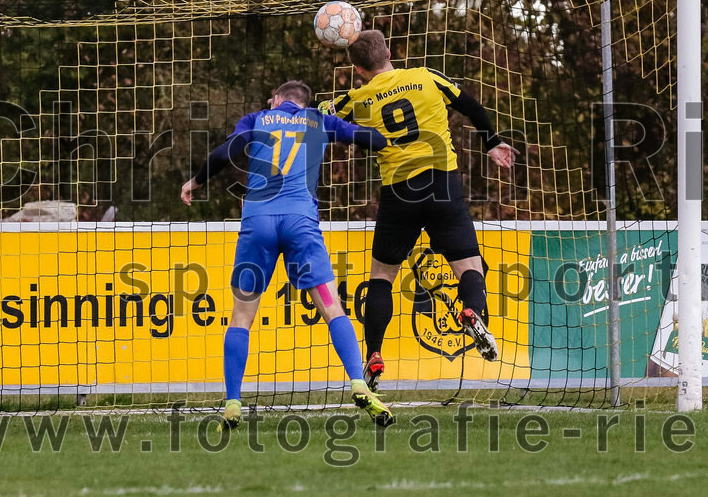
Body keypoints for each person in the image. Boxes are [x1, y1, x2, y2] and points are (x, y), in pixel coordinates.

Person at [181, 79, 394, 428]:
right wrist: (391, 141)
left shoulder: (256, 119)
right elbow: (369, 138)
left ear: (278, 99)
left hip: (258, 223)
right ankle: (358, 383)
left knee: (241, 317)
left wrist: (197, 181)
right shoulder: (319, 120)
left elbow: (224, 153)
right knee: (332, 308)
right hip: (300, 224)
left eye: (271, 98)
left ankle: (233, 403)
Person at [320, 29, 518, 391]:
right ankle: (472, 312)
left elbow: (320, 117)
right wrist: (492, 143)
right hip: (443, 186)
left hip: (399, 193)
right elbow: (471, 106)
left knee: (382, 277)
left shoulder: (357, 98)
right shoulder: (426, 76)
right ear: (389, 52)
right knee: (469, 267)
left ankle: (374, 355)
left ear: (358, 70)